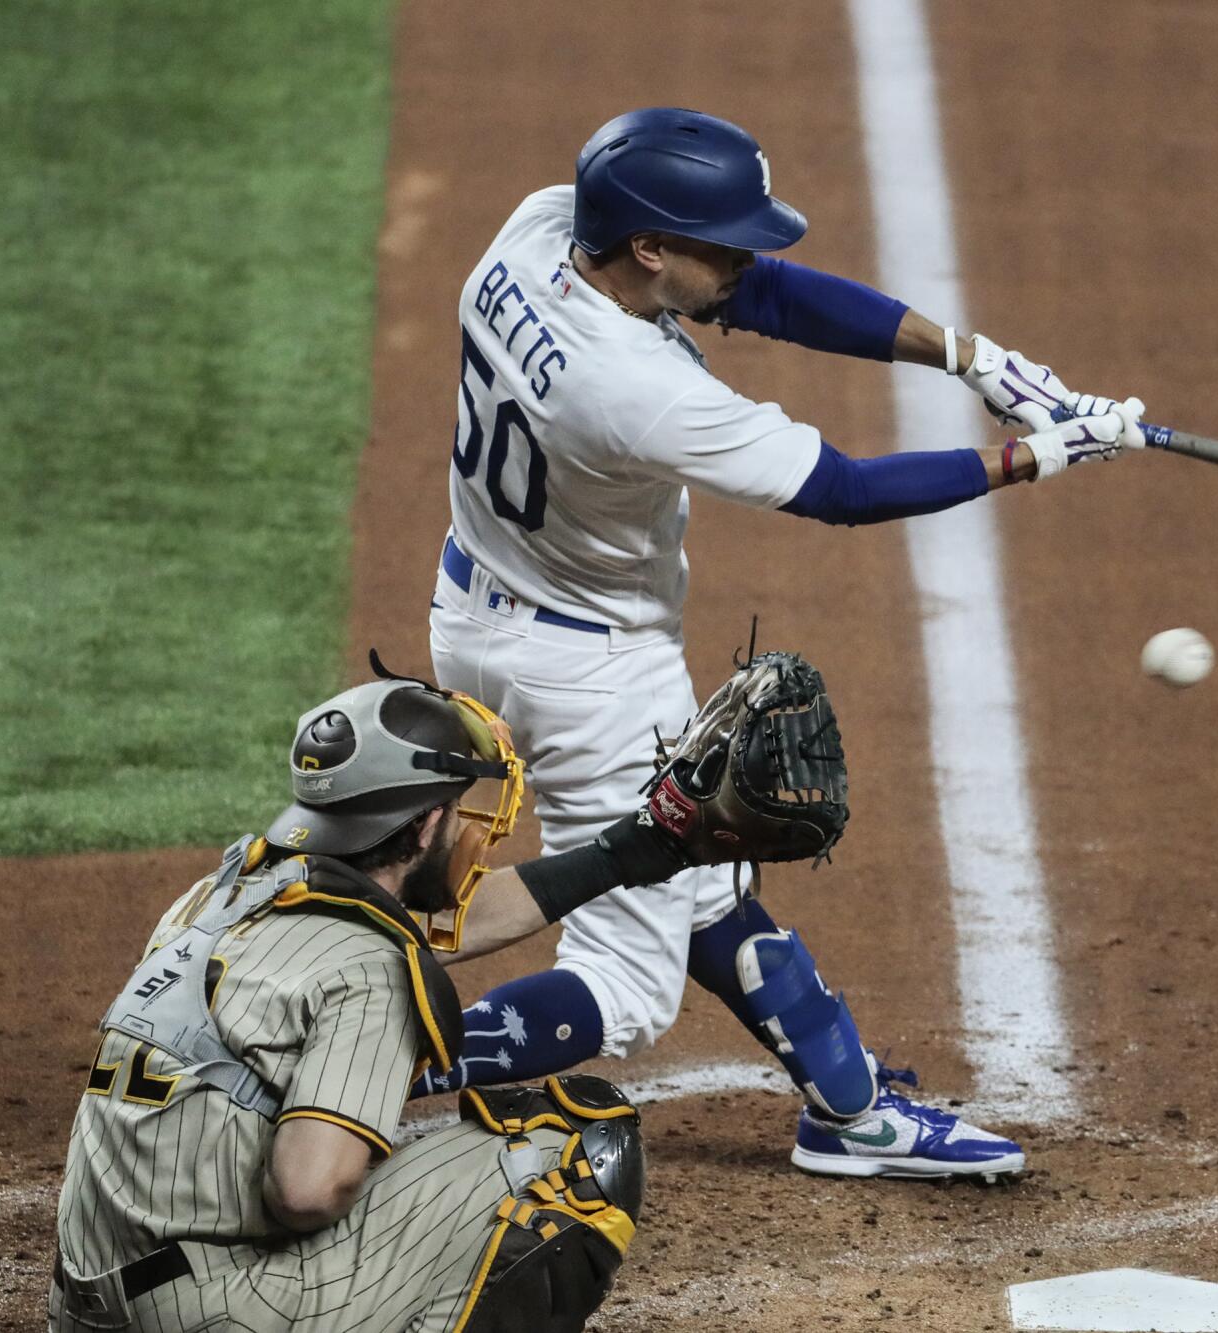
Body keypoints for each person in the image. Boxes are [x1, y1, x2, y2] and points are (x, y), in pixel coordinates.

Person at [423, 107, 1149, 1181]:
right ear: (650, 248)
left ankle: (847, 1111)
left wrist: (972, 358)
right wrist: (1033, 456)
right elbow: (845, 491)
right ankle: (387, 1056)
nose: (747, 257)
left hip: (476, 614)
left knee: (699, 872)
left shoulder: (536, 233)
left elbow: (755, 294)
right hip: (592, 674)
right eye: (722, 239)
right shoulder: (635, 391)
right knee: (623, 989)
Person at [51, 657, 835, 1332]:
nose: (470, 828)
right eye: (460, 810)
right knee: (574, 1152)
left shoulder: (225, 893)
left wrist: (638, 848)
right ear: (423, 826)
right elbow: (307, 1190)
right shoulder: (369, 962)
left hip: (88, 1302)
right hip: (218, 1312)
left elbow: (448, 919)